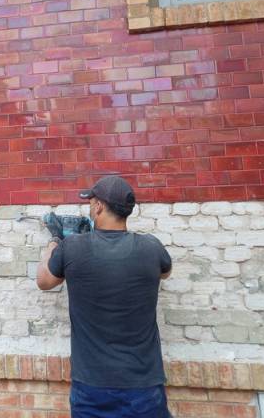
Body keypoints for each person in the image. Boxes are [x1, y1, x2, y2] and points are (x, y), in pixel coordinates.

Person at [36, 175, 173, 418]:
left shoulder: (74, 248)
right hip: (144, 385)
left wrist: (55, 242)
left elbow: (44, 281)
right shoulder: (152, 247)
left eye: (91, 202)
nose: (90, 206)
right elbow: (165, 273)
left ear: (98, 206)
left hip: (92, 387)